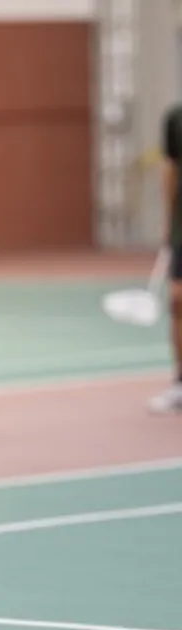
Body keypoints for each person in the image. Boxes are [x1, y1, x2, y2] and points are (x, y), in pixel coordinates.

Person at [149, 103, 182, 413]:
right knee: (178, 301)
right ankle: (180, 383)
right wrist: (168, 223)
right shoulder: (175, 118)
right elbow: (170, 169)